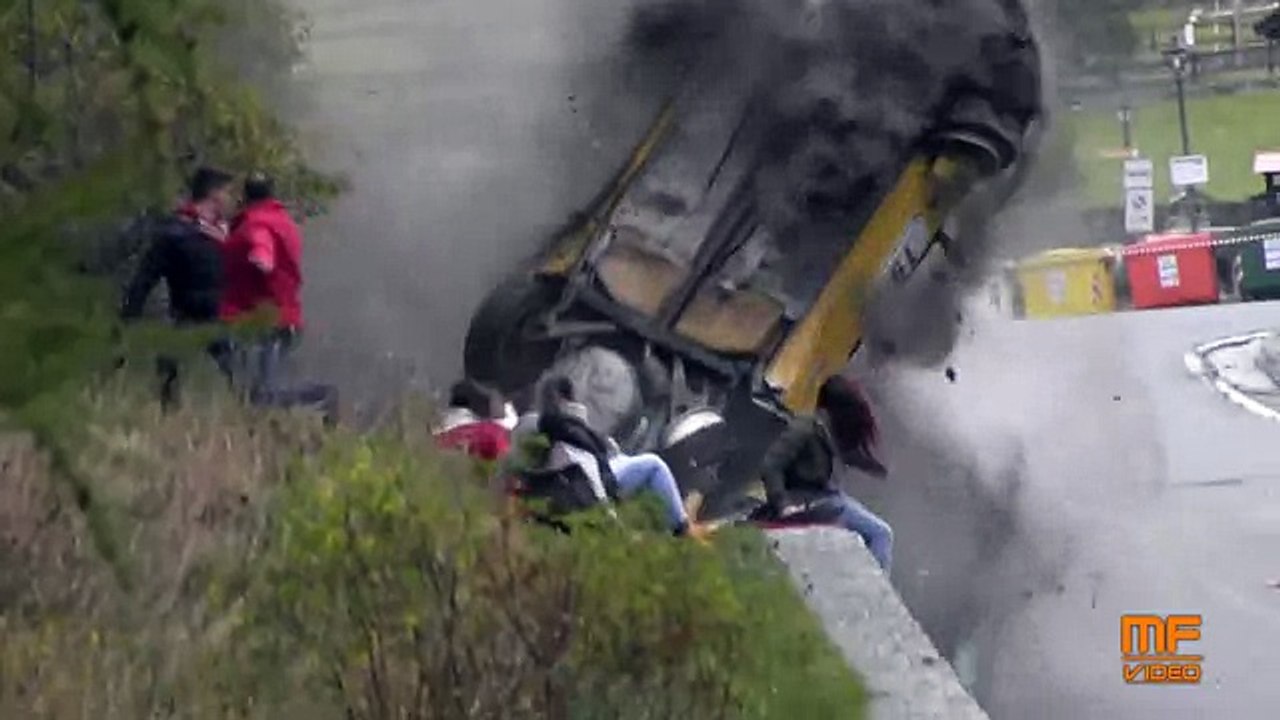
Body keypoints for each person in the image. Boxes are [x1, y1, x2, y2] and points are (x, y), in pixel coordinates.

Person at [219, 172, 339, 424]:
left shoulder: (256, 224)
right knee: (256, 391)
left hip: (266, 321)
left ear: (244, 195)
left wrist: (259, 261)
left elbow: (263, 254)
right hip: (283, 318)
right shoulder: (283, 221)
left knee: (262, 393)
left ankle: (323, 396)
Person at [534, 376, 705, 538]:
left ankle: (675, 512)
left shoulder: (551, 425)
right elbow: (588, 470)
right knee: (654, 464)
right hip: (601, 478)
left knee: (629, 453)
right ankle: (683, 528)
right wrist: (611, 519)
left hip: (603, 465)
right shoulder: (567, 429)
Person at [120, 166, 235, 408]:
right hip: (187, 312)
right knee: (169, 368)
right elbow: (145, 278)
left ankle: (251, 419)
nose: (231, 199)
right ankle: (168, 414)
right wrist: (129, 317)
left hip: (223, 315)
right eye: (227, 192)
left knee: (241, 375)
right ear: (213, 194)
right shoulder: (176, 232)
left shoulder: (226, 233)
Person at [758, 375, 894, 571]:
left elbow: (845, 455)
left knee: (881, 533)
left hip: (827, 497)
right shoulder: (806, 427)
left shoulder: (830, 430)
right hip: (809, 499)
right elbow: (771, 465)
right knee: (880, 534)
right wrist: (782, 504)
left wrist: (871, 465)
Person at [434, 379, 511, 462]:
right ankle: (440, 439)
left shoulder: (498, 430)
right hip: (476, 428)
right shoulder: (499, 434)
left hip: (476, 428)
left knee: (457, 430)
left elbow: (471, 434)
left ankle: (439, 438)